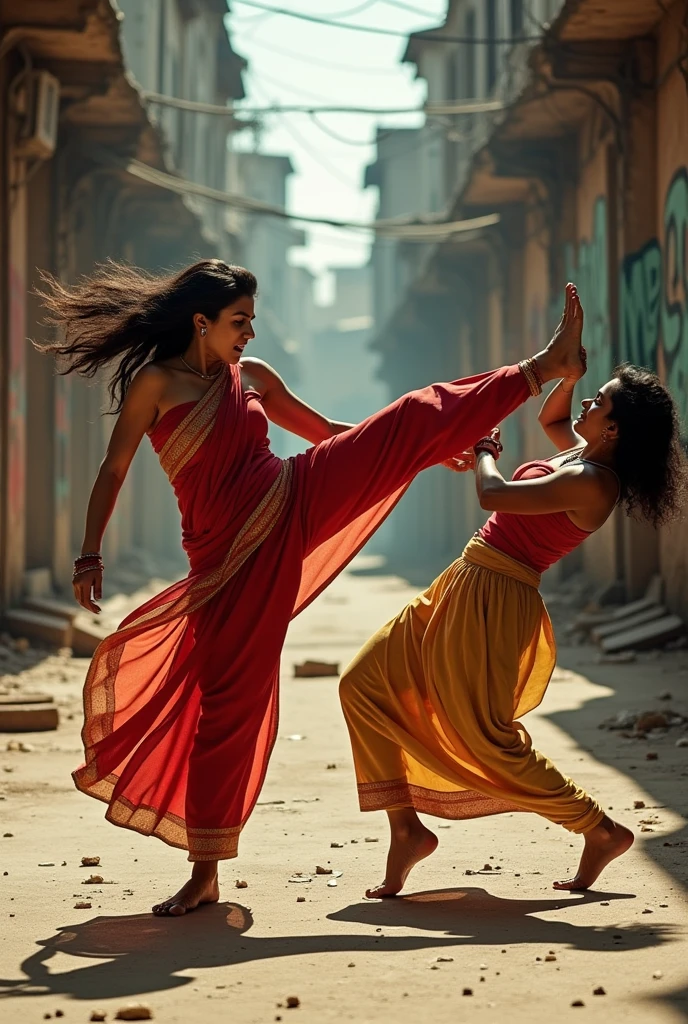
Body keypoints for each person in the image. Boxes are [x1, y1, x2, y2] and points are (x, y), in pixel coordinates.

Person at [37, 259, 585, 916]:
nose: (249, 335)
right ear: (201, 322)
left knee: (409, 414)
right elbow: (112, 467)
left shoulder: (256, 379)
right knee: (228, 711)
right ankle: (206, 871)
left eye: (252, 322)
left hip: (293, 495)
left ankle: (541, 367)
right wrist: (89, 553)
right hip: (225, 565)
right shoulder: (156, 383)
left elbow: (330, 435)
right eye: (239, 322)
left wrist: (426, 450)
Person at [339, 287, 686, 897]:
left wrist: (483, 450)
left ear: (615, 431)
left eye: (597, 402)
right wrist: (568, 372)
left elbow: (492, 495)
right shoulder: (584, 458)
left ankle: (596, 827)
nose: (585, 406)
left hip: (497, 597)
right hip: (466, 579)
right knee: (362, 683)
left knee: (486, 738)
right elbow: (553, 420)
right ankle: (406, 828)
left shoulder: (593, 484)